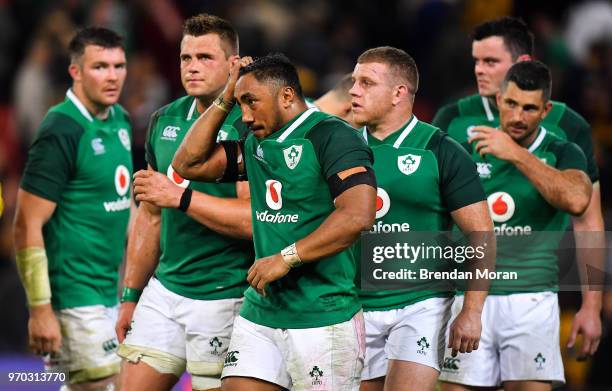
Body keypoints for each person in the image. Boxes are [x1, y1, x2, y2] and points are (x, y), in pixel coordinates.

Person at [172, 53, 377, 391]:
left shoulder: (332, 136)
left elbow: (358, 215)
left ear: (286, 96)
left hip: (322, 315)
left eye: (251, 102)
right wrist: (226, 96)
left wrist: (286, 258)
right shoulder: (255, 144)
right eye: (240, 104)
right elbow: (188, 164)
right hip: (261, 312)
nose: (246, 115)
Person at [432, 16, 603, 362]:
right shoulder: (452, 116)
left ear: (522, 64)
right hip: (465, 292)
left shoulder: (568, 126)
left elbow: (589, 220)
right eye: (476, 60)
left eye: (491, 61)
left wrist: (591, 306)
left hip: (532, 293)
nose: (479, 70)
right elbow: (433, 212)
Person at [115, 14, 253, 391]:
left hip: (226, 296)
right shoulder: (165, 120)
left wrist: (182, 197)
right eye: (185, 58)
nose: (192, 67)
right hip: (166, 290)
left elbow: (254, 221)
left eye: (205, 58)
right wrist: (130, 294)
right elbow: (150, 215)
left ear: (233, 64)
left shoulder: (252, 124)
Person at [348, 46, 492, 391]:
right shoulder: (341, 148)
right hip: (355, 303)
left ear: (399, 93)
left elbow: (481, 233)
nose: (353, 90)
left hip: (421, 302)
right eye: (354, 81)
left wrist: (471, 311)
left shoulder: (440, 149)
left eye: (366, 82)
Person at [13, 27, 130, 390]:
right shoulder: (61, 128)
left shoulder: (120, 120)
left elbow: (122, 208)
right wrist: (40, 310)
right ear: (75, 72)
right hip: (73, 299)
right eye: (99, 67)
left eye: (118, 65)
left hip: (108, 292)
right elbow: (26, 223)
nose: (112, 76)